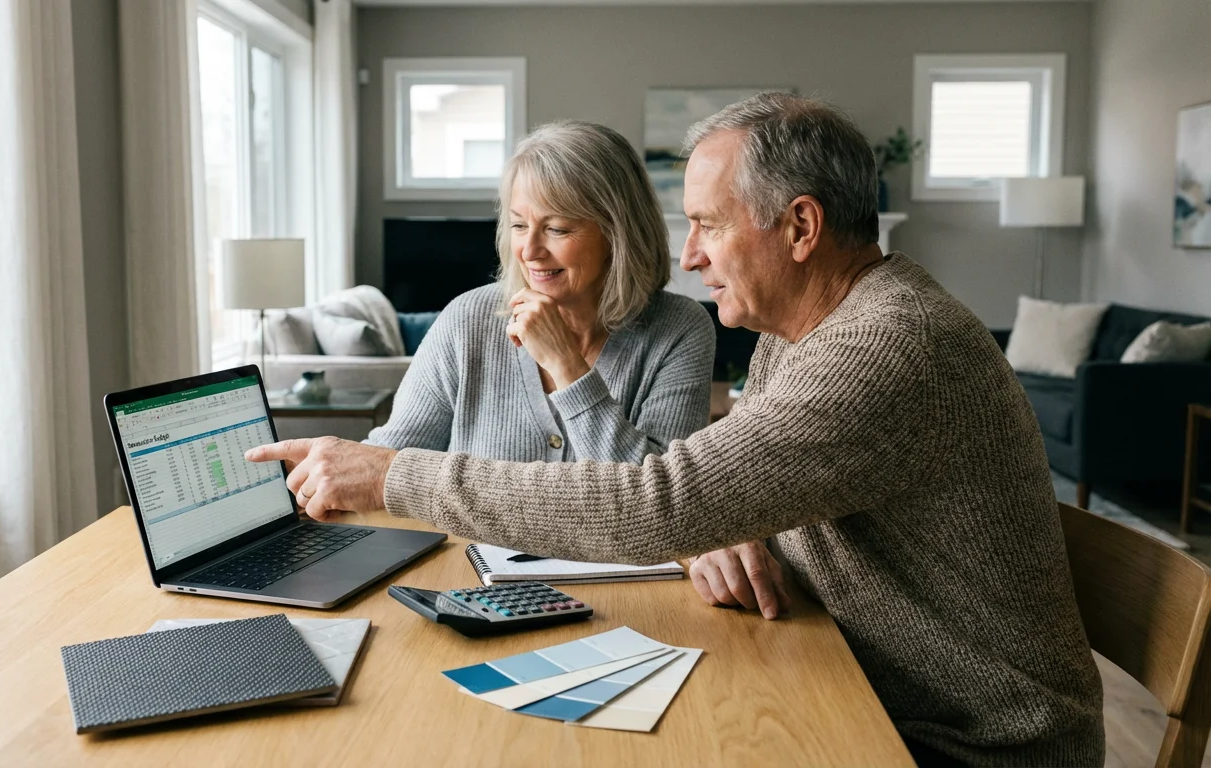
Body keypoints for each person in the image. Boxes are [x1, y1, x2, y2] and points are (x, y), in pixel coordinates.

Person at [246, 93, 1104, 766]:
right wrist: (716, 533)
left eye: (710, 224)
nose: (689, 255)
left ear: (801, 227)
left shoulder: (885, 344)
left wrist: (391, 477)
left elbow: (662, 500)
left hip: (966, 743)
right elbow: (725, 492)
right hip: (864, 674)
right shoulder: (800, 332)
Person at [365, 120, 715, 464]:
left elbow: (661, 502)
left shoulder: (680, 329)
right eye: (519, 225)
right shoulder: (467, 318)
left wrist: (565, 365)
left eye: (557, 228)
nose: (530, 251)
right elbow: (389, 457)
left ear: (617, 234)